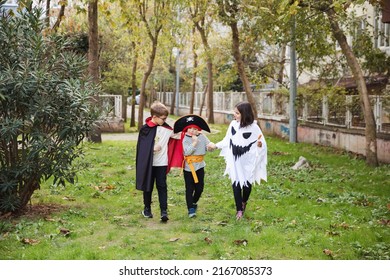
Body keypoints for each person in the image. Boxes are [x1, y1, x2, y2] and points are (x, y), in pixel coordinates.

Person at [207, 101, 267, 220]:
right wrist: (216, 146)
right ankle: (239, 210)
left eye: (237, 113)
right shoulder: (233, 125)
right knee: (236, 184)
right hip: (235, 160)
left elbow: (262, 143)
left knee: (246, 185)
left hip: (248, 162)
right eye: (234, 112)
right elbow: (227, 140)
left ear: (244, 114)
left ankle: (244, 201)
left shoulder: (254, 128)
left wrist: (260, 145)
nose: (234, 115)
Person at [135, 101, 181, 222]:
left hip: (162, 163)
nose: (165, 120)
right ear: (154, 117)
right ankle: (147, 209)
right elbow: (142, 148)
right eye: (163, 118)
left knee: (162, 186)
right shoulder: (145, 129)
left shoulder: (167, 129)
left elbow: (178, 136)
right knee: (148, 186)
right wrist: (152, 149)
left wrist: (185, 128)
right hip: (149, 164)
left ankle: (163, 211)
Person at [173, 115, 211, 218]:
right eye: (190, 128)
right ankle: (190, 209)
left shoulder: (202, 136)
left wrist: (211, 146)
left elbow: (208, 146)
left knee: (199, 188)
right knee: (189, 189)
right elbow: (187, 152)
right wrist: (194, 143)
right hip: (189, 168)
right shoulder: (185, 138)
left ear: (198, 129)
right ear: (186, 129)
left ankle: (193, 202)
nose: (192, 131)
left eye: (195, 129)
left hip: (200, 166)